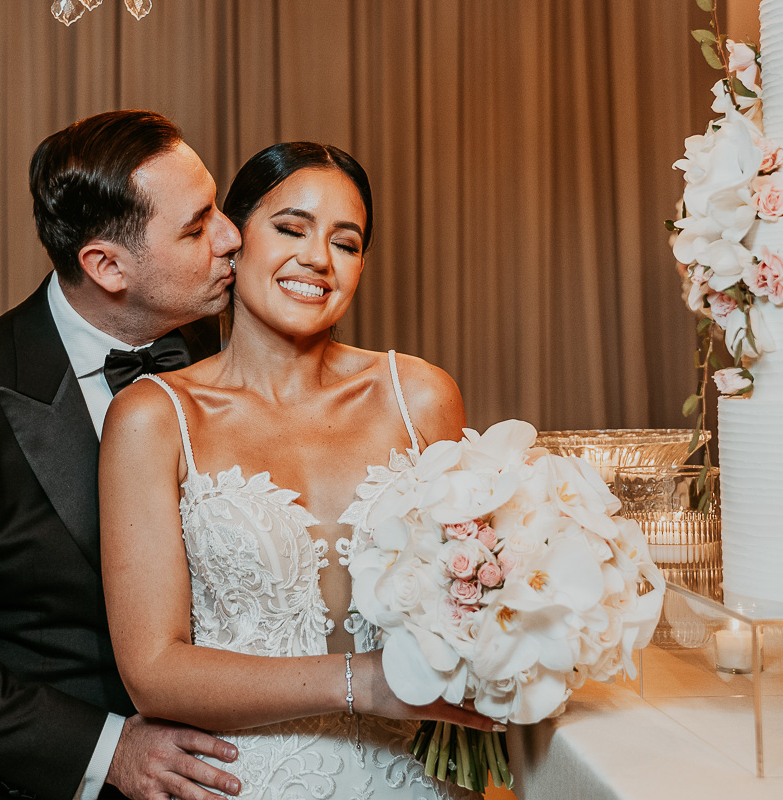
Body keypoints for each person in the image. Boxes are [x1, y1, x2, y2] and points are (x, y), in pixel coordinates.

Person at [0, 111, 248, 800]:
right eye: (195, 227)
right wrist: (109, 750)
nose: (231, 236)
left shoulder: (229, 357)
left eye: (216, 207)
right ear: (106, 265)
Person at [100, 142, 500, 799]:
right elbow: (153, 668)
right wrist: (363, 684)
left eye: (346, 242)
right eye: (291, 229)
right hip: (248, 782)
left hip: (416, 781)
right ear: (233, 238)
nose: (317, 258)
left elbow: (470, 597)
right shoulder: (155, 416)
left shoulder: (421, 395)